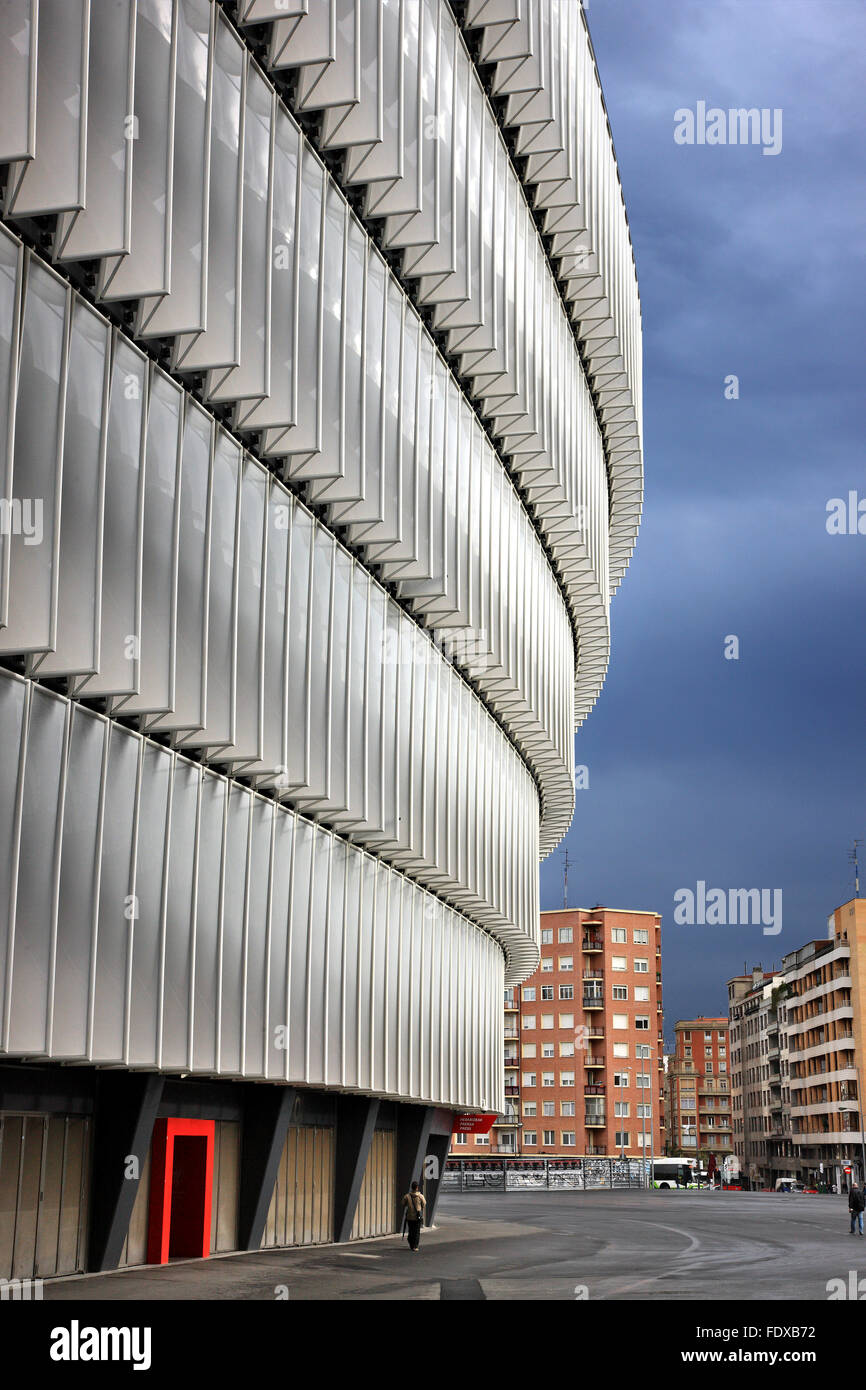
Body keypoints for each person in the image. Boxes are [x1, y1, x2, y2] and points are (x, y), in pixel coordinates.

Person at [401, 1181, 427, 1252]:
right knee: (416, 1232)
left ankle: (411, 1243)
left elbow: (403, 1203)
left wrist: (409, 1206)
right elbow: (424, 1204)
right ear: (417, 1187)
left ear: (411, 1187)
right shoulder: (420, 1196)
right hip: (417, 1217)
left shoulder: (407, 1196)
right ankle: (415, 1246)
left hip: (409, 1217)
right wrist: (419, 1207)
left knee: (411, 1230)